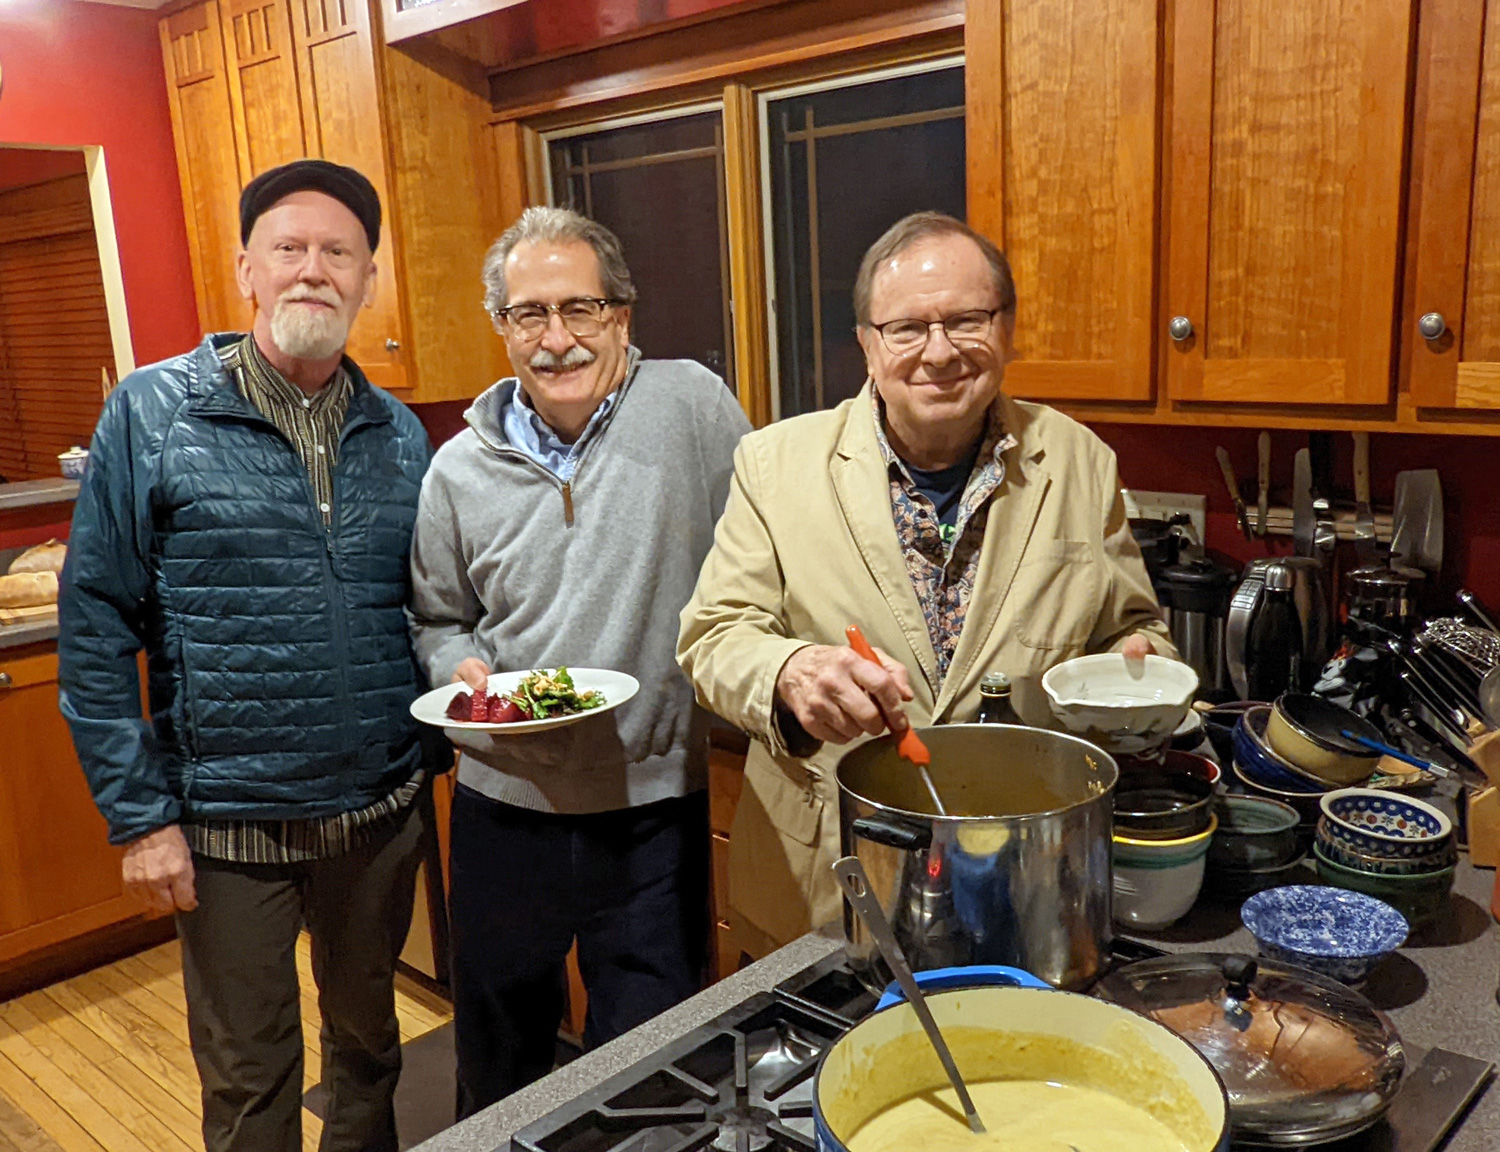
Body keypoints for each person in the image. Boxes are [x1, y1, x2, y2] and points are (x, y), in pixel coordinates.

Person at [58, 159, 437, 1152]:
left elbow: (422, 609)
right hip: (226, 828)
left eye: (338, 253)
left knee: (369, 1051)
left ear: (367, 279)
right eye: (289, 248)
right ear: (248, 270)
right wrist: (141, 819)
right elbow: (96, 625)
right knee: (250, 1078)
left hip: (376, 816)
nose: (313, 269)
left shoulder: (399, 434)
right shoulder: (153, 412)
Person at [677, 211, 1174, 959]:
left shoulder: (1082, 462)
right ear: (867, 344)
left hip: (1022, 876)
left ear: (1007, 328)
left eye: (967, 320)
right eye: (906, 328)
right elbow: (713, 637)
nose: (939, 353)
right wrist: (791, 670)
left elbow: (1132, 629)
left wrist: (1140, 666)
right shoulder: (774, 465)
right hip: (830, 879)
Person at [409, 206, 751, 1114]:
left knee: (652, 1069)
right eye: (529, 313)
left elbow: (763, 554)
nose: (556, 338)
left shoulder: (692, 409)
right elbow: (439, 619)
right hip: (502, 809)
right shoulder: (456, 470)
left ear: (621, 316)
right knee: (500, 1066)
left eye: (580, 309)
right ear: (502, 326)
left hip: (650, 808)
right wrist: (457, 670)